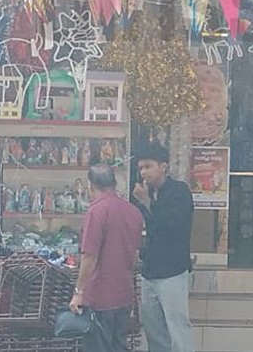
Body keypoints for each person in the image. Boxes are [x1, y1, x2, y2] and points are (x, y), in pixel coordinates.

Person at [69, 164, 144, 352]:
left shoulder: (97, 212)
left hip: (99, 297)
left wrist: (79, 292)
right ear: (115, 183)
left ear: (90, 185)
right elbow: (134, 255)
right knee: (118, 346)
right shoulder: (133, 212)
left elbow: (89, 257)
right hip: (124, 295)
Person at [132, 143, 195, 352]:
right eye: (141, 168)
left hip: (172, 271)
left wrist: (148, 203)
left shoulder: (179, 191)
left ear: (163, 166)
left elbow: (171, 225)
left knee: (178, 327)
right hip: (150, 271)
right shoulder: (147, 193)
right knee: (153, 331)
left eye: (148, 166)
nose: (144, 172)